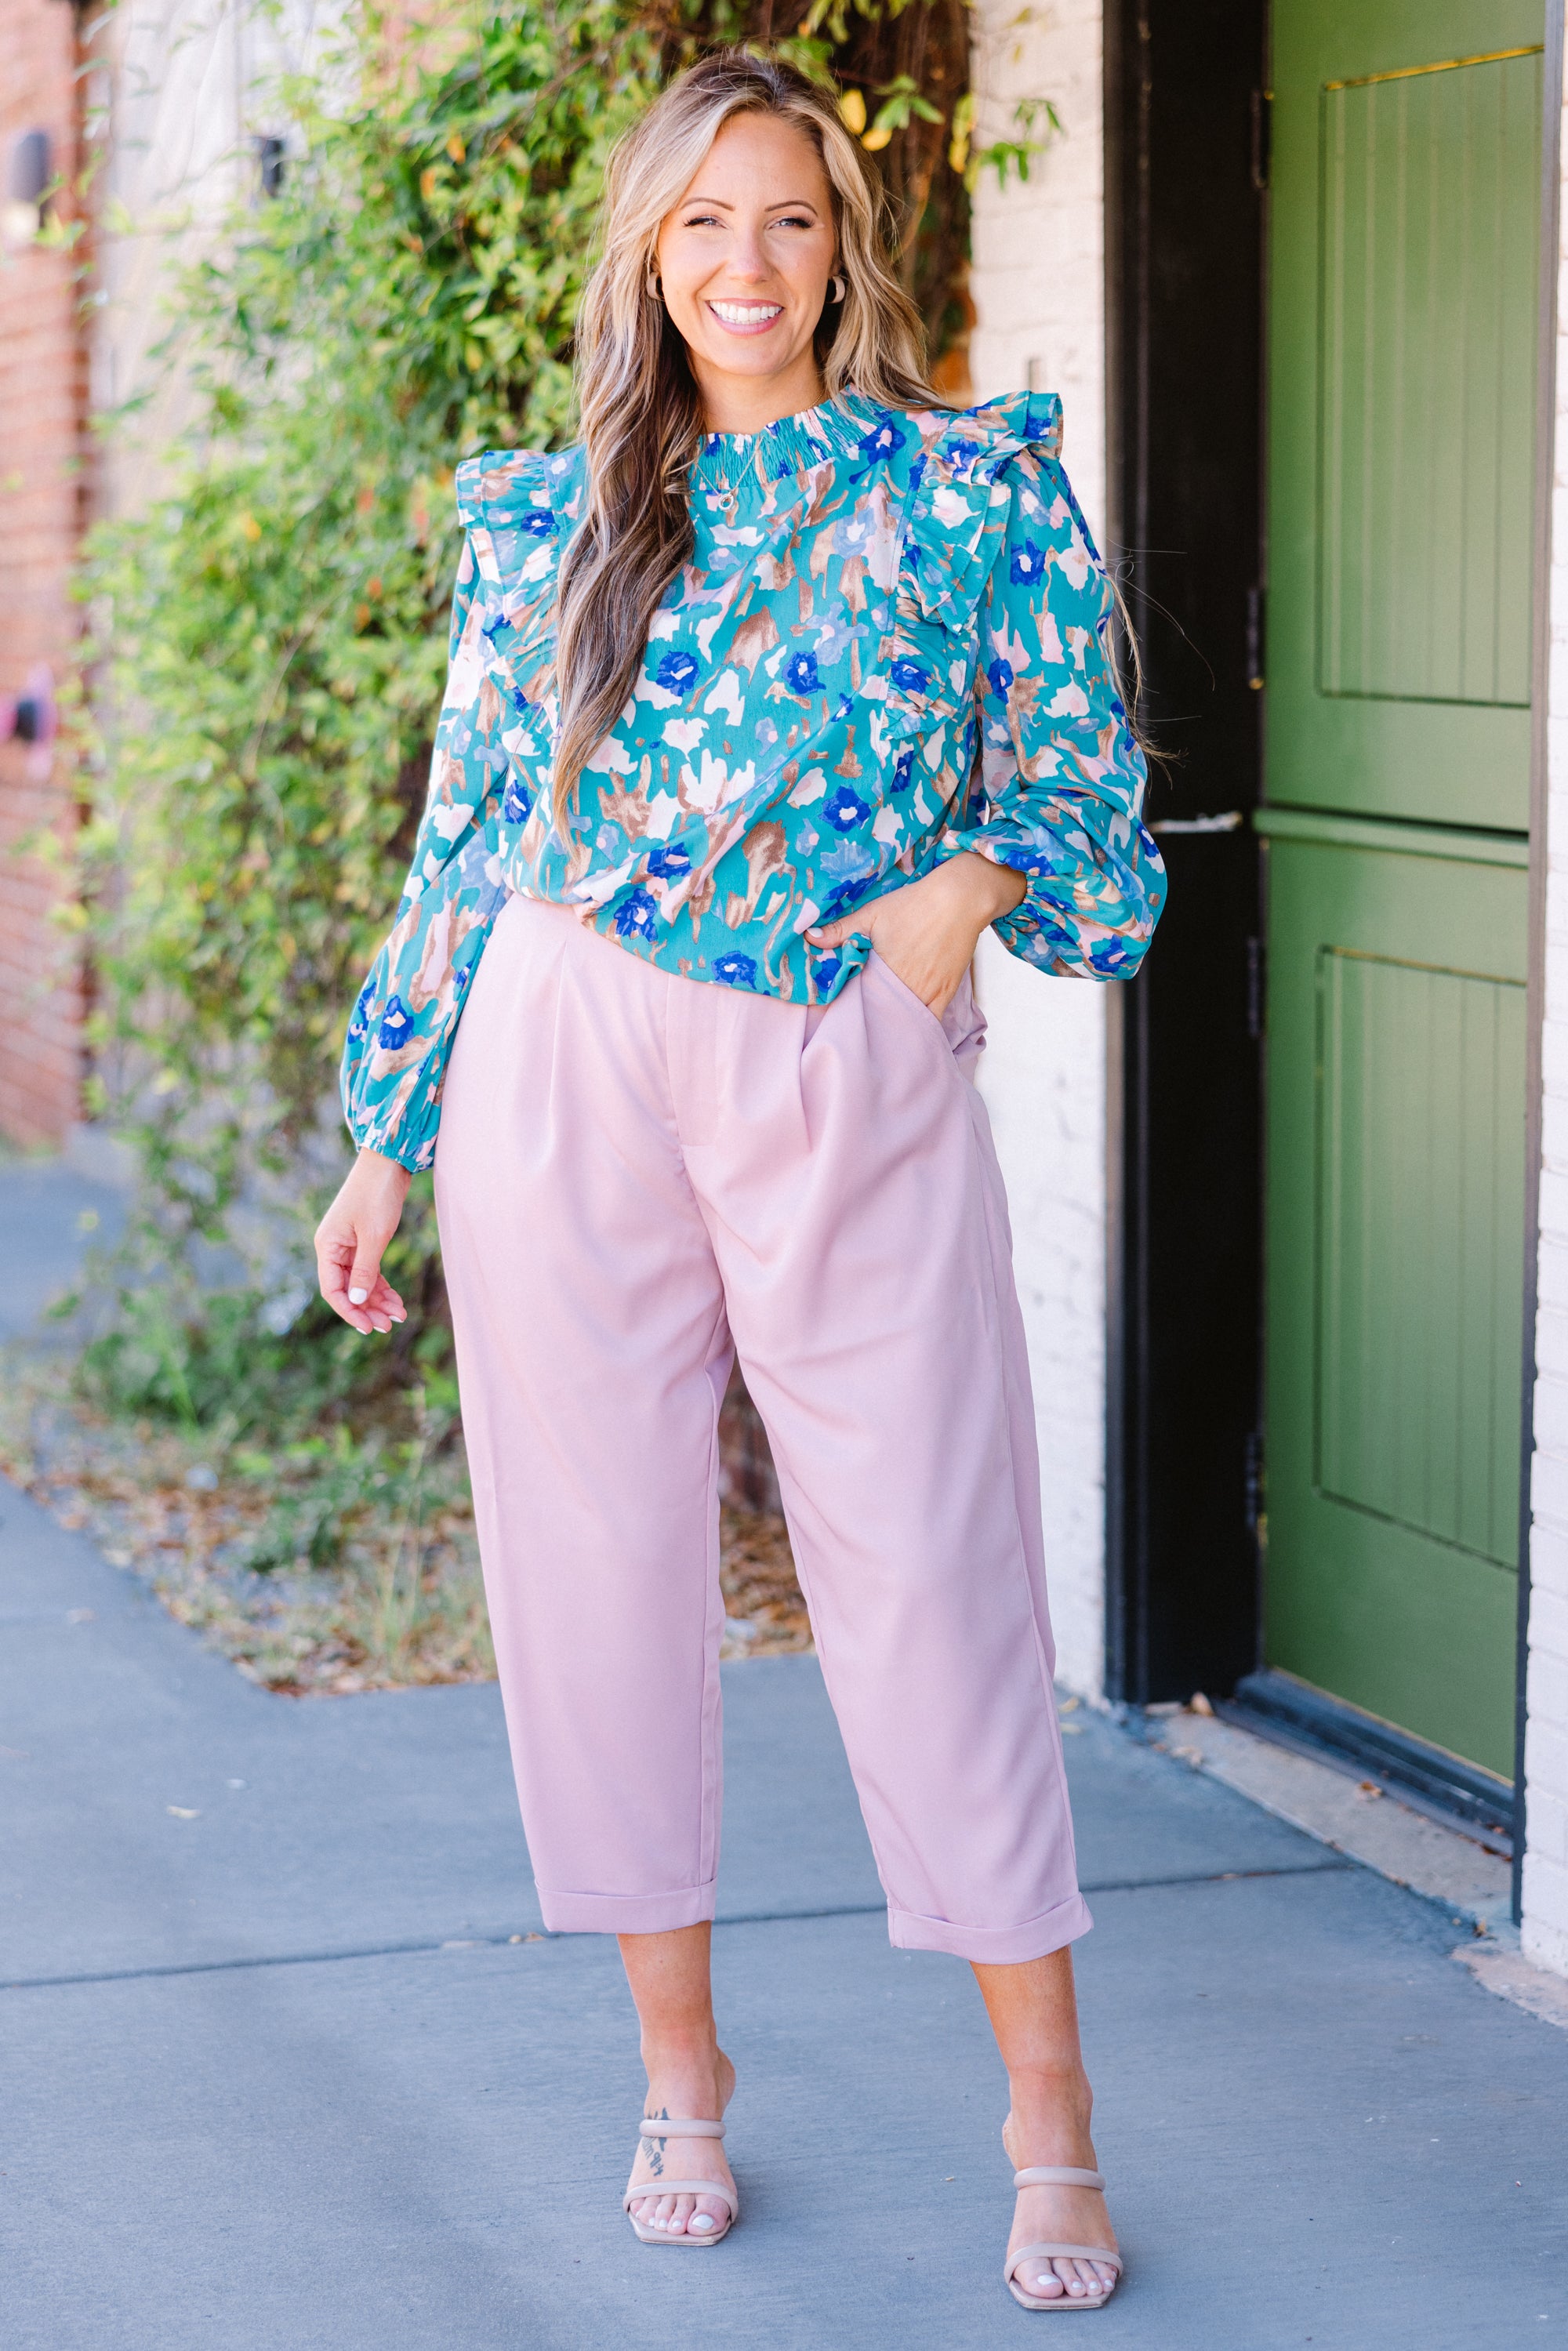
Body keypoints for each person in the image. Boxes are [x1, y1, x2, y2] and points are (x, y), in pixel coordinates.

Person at [315, 49, 1164, 2313]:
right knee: (593, 1578)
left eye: (788, 219)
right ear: (645, 252)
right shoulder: (552, 515)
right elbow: (471, 833)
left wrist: (951, 903)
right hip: (560, 1049)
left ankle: (1051, 2114)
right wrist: (391, 1127)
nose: (747, 266)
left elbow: (1094, 820)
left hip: (834, 1052)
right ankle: (679, 2083)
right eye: (704, 223)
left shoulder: (971, 495)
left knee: (935, 1581)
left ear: (846, 245)